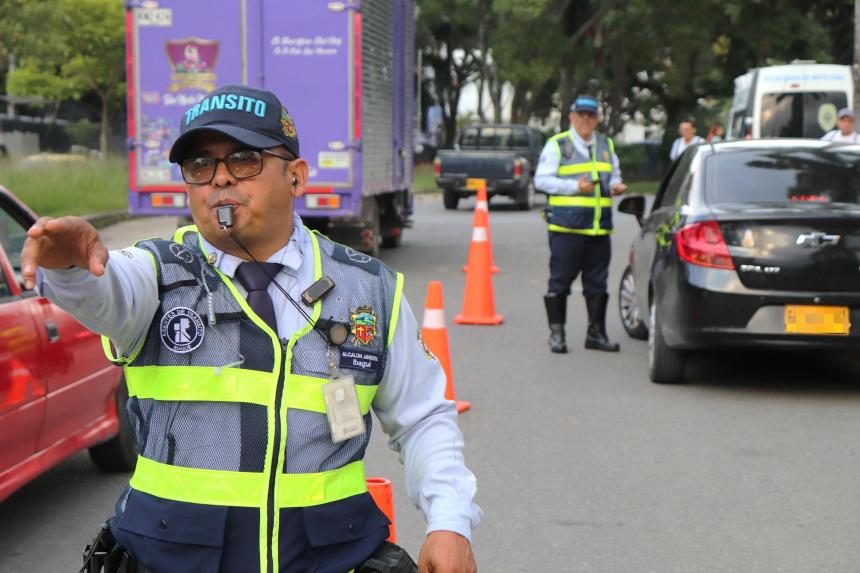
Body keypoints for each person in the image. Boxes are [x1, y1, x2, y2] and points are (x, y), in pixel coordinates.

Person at [21, 85, 479, 573]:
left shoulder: (369, 290)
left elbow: (423, 418)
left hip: (328, 560)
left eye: (243, 160)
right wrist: (71, 267)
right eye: (200, 166)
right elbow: (104, 289)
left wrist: (450, 522)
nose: (220, 179)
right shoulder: (156, 274)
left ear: (296, 175)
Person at [535, 95, 626, 354]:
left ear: (597, 119)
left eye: (591, 115)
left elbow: (614, 174)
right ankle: (557, 335)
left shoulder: (606, 144)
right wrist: (575, 187)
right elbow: (541, 181)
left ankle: (595, 334)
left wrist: (617, 185)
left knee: (597, 283)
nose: (586, 120)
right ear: (571, 117)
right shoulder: (558, 145)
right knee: (560, 282)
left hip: (599, 229)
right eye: (581, 115)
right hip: (567, 229)